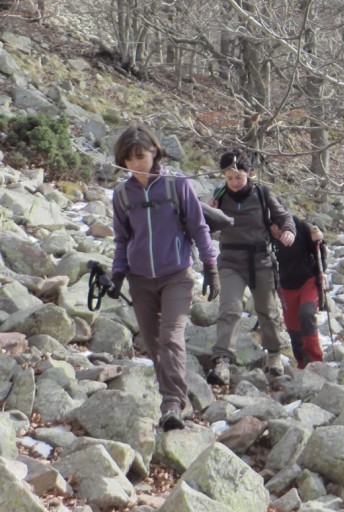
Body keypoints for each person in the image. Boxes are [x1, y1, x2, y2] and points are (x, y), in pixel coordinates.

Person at [110, 126, 220, 431]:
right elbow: (122, 239)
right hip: (139, 278)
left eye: (141, 157)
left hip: (177, 275)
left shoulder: (176, 185)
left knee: (171, 337)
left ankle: (173, 403)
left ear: (154, 152)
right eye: (128, 159)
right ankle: (169, 396)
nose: (135, 164)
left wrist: (211, 266)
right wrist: (117, 274)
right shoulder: (121, 195)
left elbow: (199, 227)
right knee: (152, 343)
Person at [207, 150, 295, 385]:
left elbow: (284, 217)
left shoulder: (263, 194)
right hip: (230, 261)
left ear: (249, 174)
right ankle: (223, 361)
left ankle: (274, 355)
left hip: (260, 260)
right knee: (230, 309)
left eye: (239, 177)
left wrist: (288, 232)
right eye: (229, 178)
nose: (235, 182)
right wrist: (209, 211)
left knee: (267, 310)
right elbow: (207, 227)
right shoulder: (219, 195)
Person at [271, 215, 328, 369]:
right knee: (293, 327)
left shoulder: (300, 226)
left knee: (307, 313)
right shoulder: (263, 235)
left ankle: (315, 362)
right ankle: (302, 362)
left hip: (308, 280)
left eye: (278, 225)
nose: (275, 229)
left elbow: (319, 249)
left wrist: (319, 239)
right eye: (272, 225)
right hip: (285, 285)